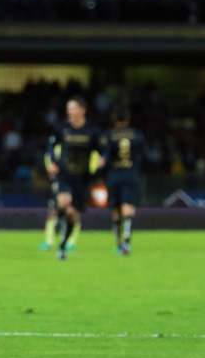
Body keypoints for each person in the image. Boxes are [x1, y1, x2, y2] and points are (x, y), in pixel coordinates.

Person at [45, 96, 102, 260]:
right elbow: (51, 146)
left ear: (82, 111)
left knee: (72, 213)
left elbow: (102, 149)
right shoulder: (62, 128)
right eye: (68, 108)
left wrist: (102, 160)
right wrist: (52, 162)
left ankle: (62, 246)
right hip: (64, 174)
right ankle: (58, 219)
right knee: (63, 202)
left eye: (72, 108)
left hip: (82, 177)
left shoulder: (92, 131)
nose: (69, 111)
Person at [98, 104, 145, 255]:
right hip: (130, 174)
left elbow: (104, 158)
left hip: (114, 175)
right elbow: (142, 155)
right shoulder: (137, 135)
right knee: (128, 206)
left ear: (113, 119)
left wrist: (100, 172)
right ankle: (127, 242)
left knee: (116, 209)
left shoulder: (108, 136)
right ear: (128, 119)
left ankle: (119, 243)